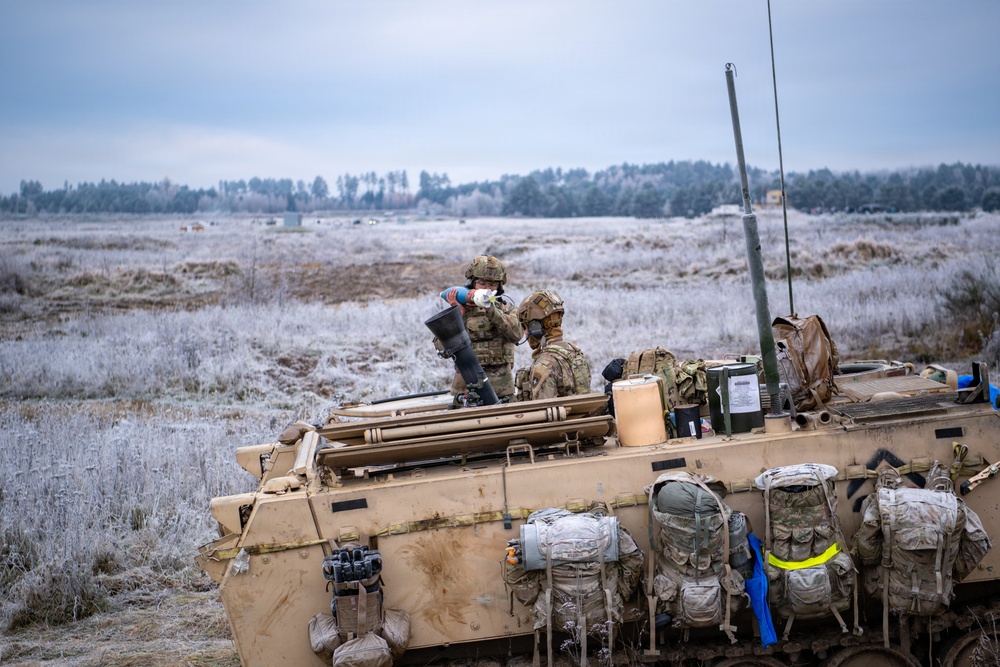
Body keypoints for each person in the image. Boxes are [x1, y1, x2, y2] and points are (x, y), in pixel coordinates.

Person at [441, 255, 521, 402]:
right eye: (482, 283)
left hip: (501, 387)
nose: (487, 289)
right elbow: (441, 347)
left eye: (492, 285)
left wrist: (492, 311)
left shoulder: (507, 309)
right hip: (465, 387)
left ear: (499, 286)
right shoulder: (460, 308)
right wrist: (456, 316)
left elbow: (516, 334)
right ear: (472, 283)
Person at [514, 289, 592, 401]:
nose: (525, 333)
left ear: (535, 327)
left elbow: (543, 410)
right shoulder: (574, 351)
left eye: (525, 327)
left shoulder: (544, 365)